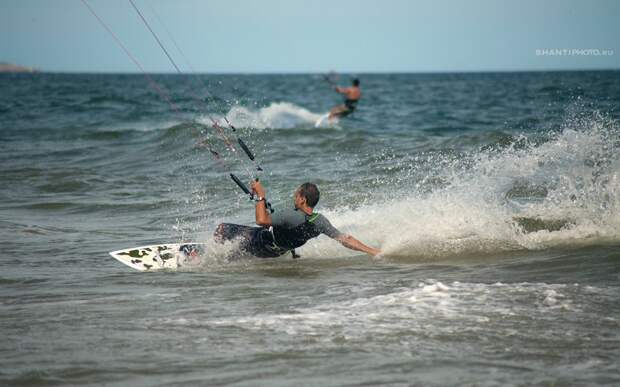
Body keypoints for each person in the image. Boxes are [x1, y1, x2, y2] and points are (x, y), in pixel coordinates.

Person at [214, 181, 381, 258]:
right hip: (275, 253)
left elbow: (261, 220)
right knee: (236, 250)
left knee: (222, 229)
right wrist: (373, 251)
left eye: (296, 196)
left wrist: (260, 196)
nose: (294, 198)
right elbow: (346, 239)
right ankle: (231, 256)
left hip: (260, 242)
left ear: (303, 200)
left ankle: (208, 256)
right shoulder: (319, 221)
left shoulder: (292, 216)